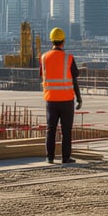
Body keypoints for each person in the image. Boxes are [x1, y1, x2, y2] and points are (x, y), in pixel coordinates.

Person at [39, 28, 83, 164]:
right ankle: (65, 157)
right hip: (66, 100)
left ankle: (50, 157)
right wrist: (79, 98)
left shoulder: (44, 57)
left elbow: (42, 75)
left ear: (51, 40)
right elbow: (74, 79)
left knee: (50, 129)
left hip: (51, 99)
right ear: (63, 41)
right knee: (66, 131)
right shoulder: (68, 58)